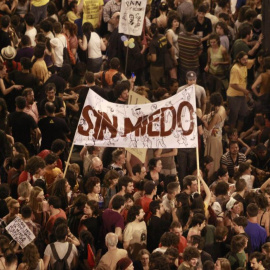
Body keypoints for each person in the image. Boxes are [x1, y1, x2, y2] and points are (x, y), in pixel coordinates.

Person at [226, 51, 254, 131]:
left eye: (246, 59)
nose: (246, 61)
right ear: (238, 59)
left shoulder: (245, 64)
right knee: (233, 116)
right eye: (244, 59)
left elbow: (254, 61)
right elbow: (233, 84)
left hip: (242, 95)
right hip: (234, 96)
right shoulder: (235, 69)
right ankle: (231, 134)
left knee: (243, 114)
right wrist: (245, 91)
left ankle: (237, 133)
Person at [202, 93, 226, 174]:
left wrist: (204, 121)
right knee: (216, 159)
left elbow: (209, 128)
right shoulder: (222, 109)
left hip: (213, 139)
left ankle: (210, 175)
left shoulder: (217, 115)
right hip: (218, 137)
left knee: (212, 160)